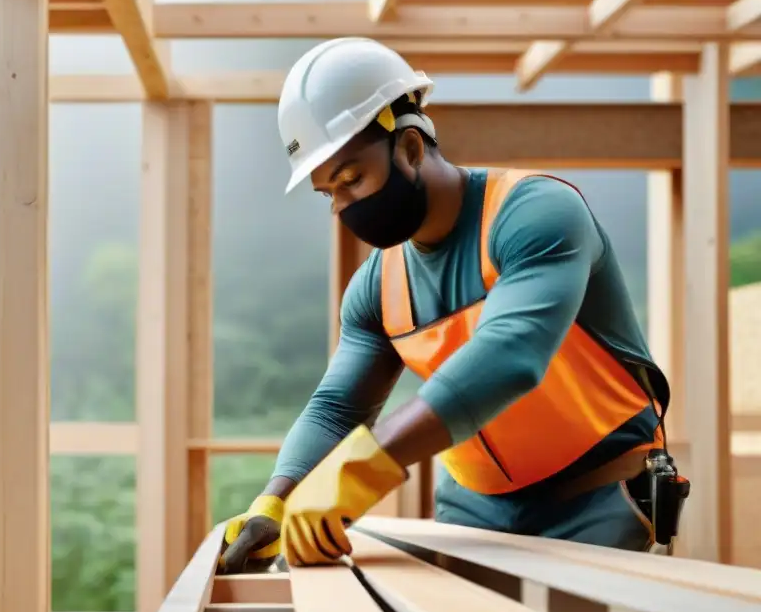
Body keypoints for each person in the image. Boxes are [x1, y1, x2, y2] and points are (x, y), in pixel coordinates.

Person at [219, 36, 684, 573]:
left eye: (351, 179)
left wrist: (359, 472)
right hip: (472, 510)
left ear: (411, 148)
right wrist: (278, 496)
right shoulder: (377, 287)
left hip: (599, 497)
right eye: (329, 193)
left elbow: (511, 357)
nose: (343, 207)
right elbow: (337, 409)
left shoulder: (534, 214)